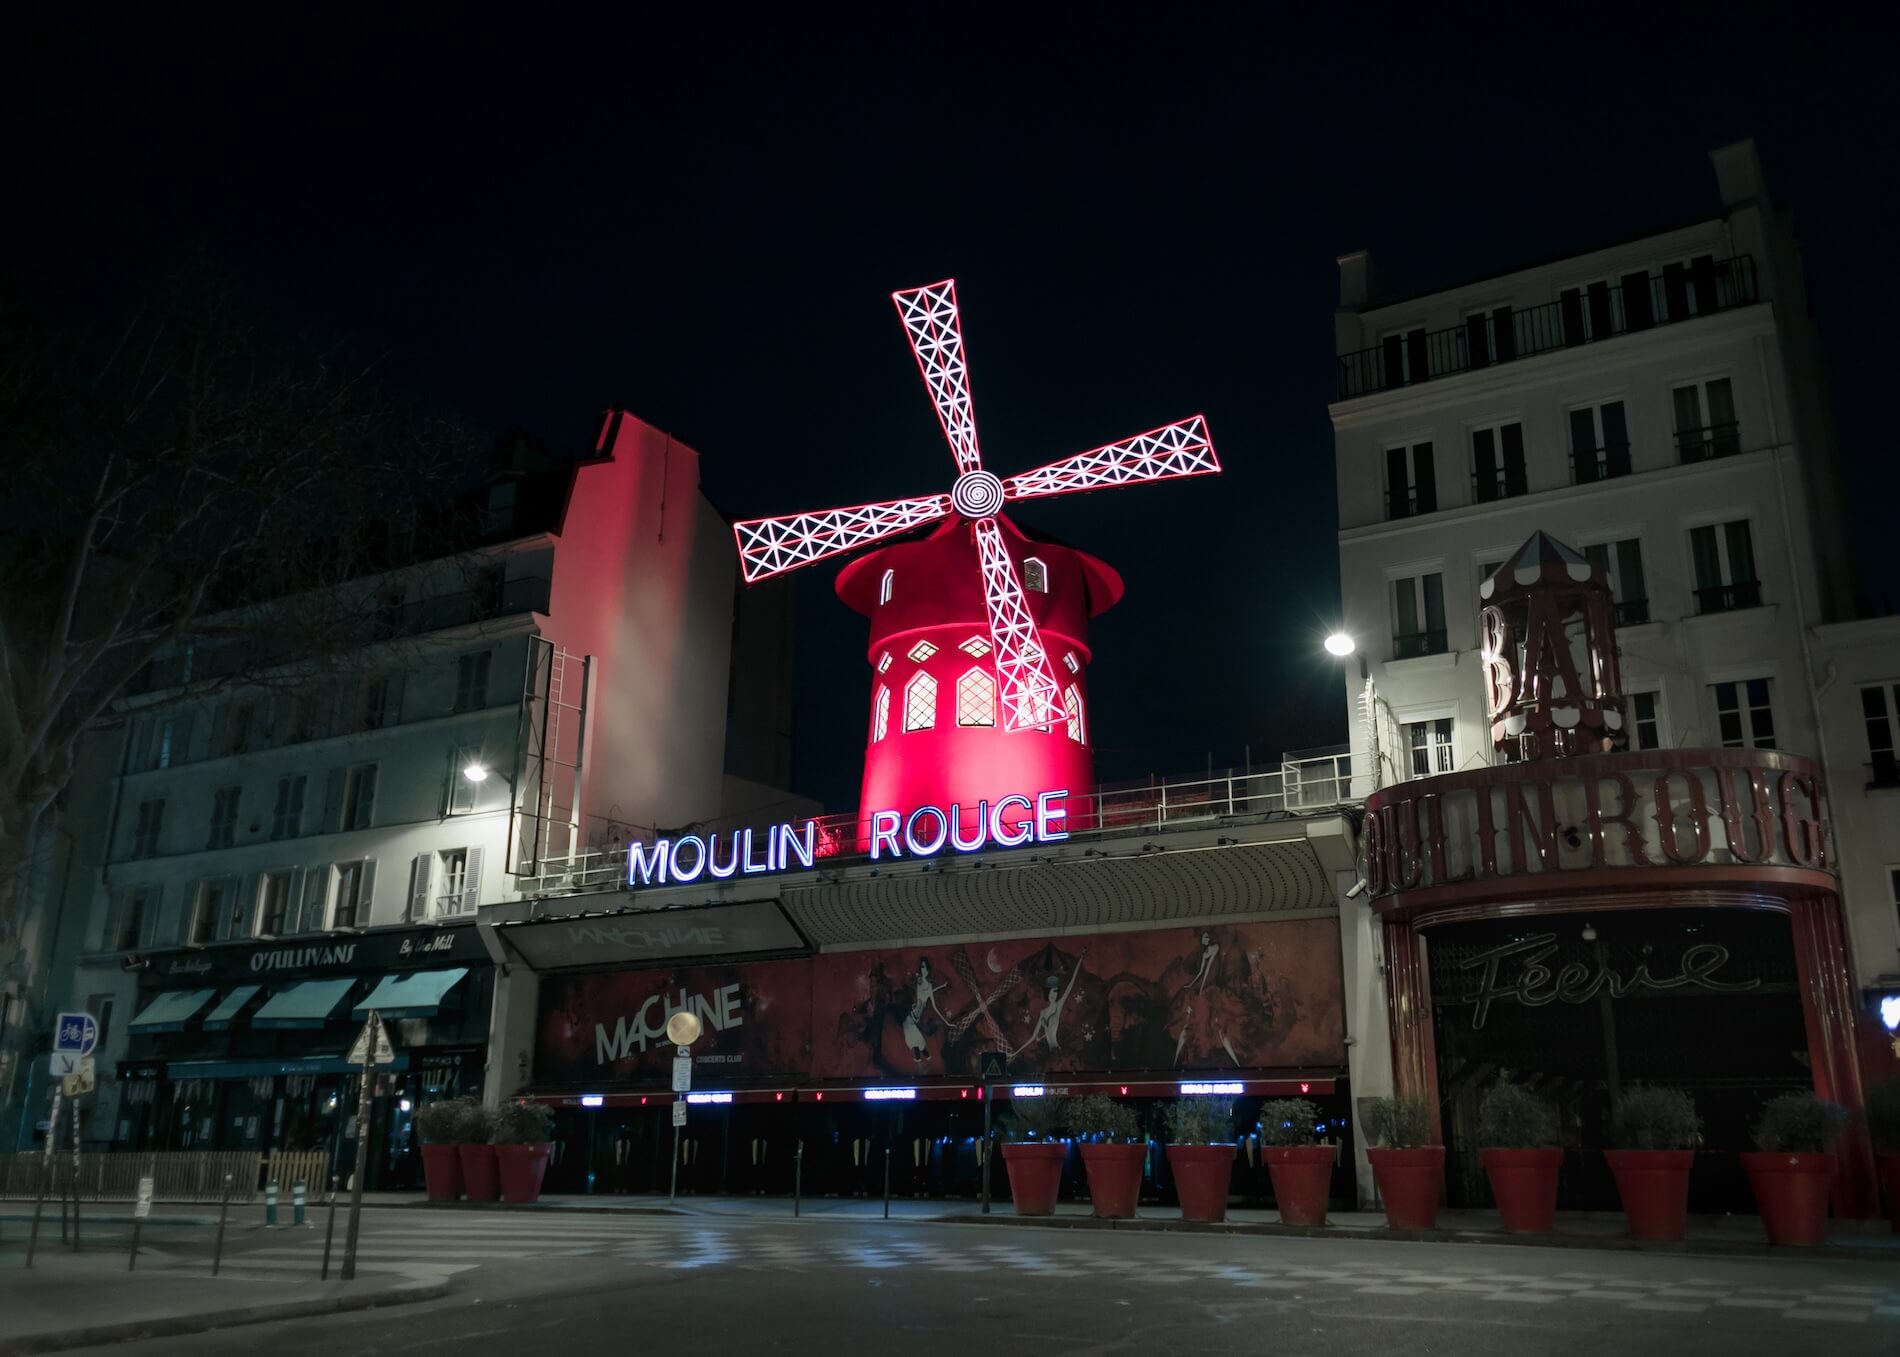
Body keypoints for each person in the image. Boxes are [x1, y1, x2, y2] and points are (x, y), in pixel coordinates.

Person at [903, 957, 949, 1062]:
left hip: (914, 1018)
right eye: (922, 967)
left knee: (916, 1038)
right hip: (912, 1017)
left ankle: (924, 1058)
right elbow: (918, 990)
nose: (923, 970)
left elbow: (932, 997)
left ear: (928, 970)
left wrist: (946, 1022)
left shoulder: (929, 987)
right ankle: (923, 1058)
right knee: (915, 1038)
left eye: (925, 967)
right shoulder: (919, 984)